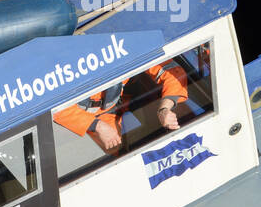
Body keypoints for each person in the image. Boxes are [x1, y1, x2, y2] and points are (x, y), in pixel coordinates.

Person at [54, 61, 189, 155]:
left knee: (115, 146)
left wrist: (164, 109)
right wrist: (97, 126)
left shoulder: (125, 47)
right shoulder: (63, 66)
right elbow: (51, 106)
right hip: (77, 113)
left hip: (108, 109)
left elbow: (171, 70)